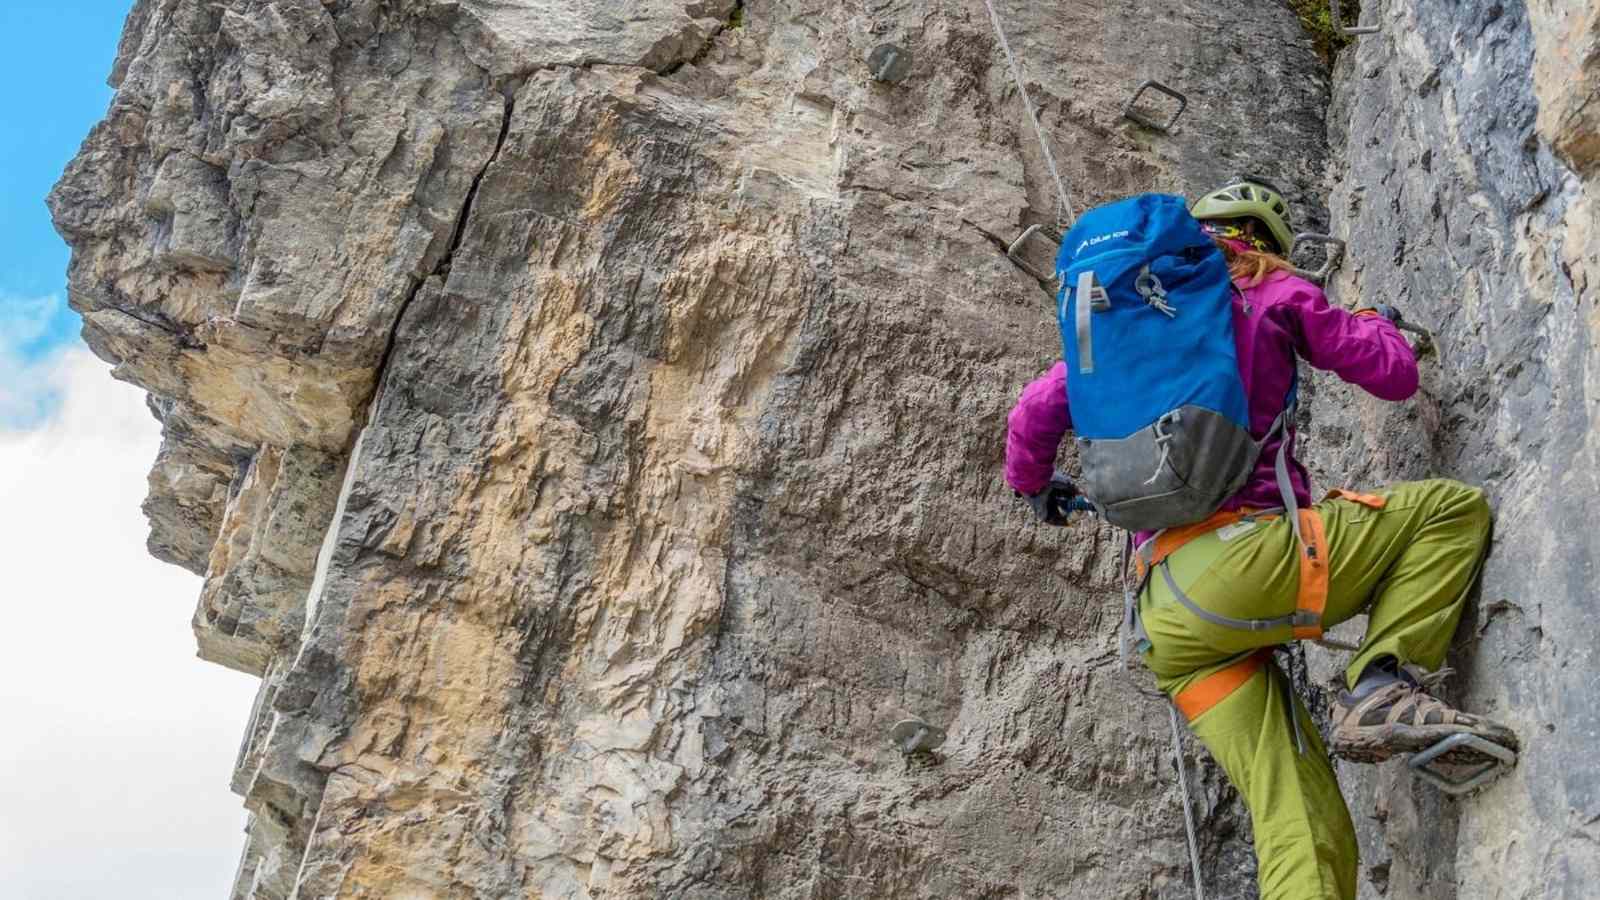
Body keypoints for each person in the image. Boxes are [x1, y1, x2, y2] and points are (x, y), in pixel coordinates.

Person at [1003, 177, 1520, 899]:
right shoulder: (1272, 293)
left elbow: (1033, 412)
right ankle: (1382, 683)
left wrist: (1035, 489)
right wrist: (1374, 319)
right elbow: (1394, 375)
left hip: (1168, 625)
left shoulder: (1131, 333)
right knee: (1448, 510)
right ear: (1270, 245)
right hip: (1246, 561)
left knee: (1300, 821)